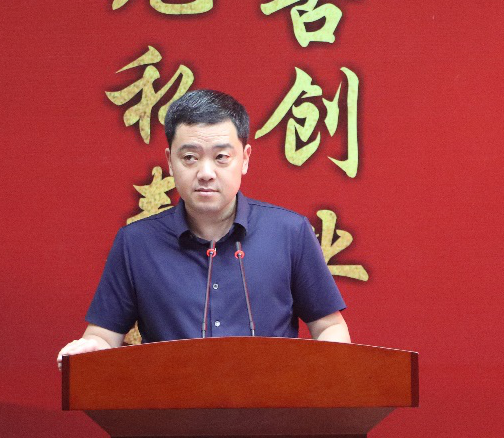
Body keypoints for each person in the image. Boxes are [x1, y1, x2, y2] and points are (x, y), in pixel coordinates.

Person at [57, 89, 349, 367]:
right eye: (190, 158)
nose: (206, 173)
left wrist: (323, 374)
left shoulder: (290, 232)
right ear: (170, 162)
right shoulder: (136, 243)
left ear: (245, 159)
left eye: (221, 157)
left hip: (272, 400)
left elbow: (329, 326)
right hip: (170, 400)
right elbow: (103, 335)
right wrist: (90, 347)